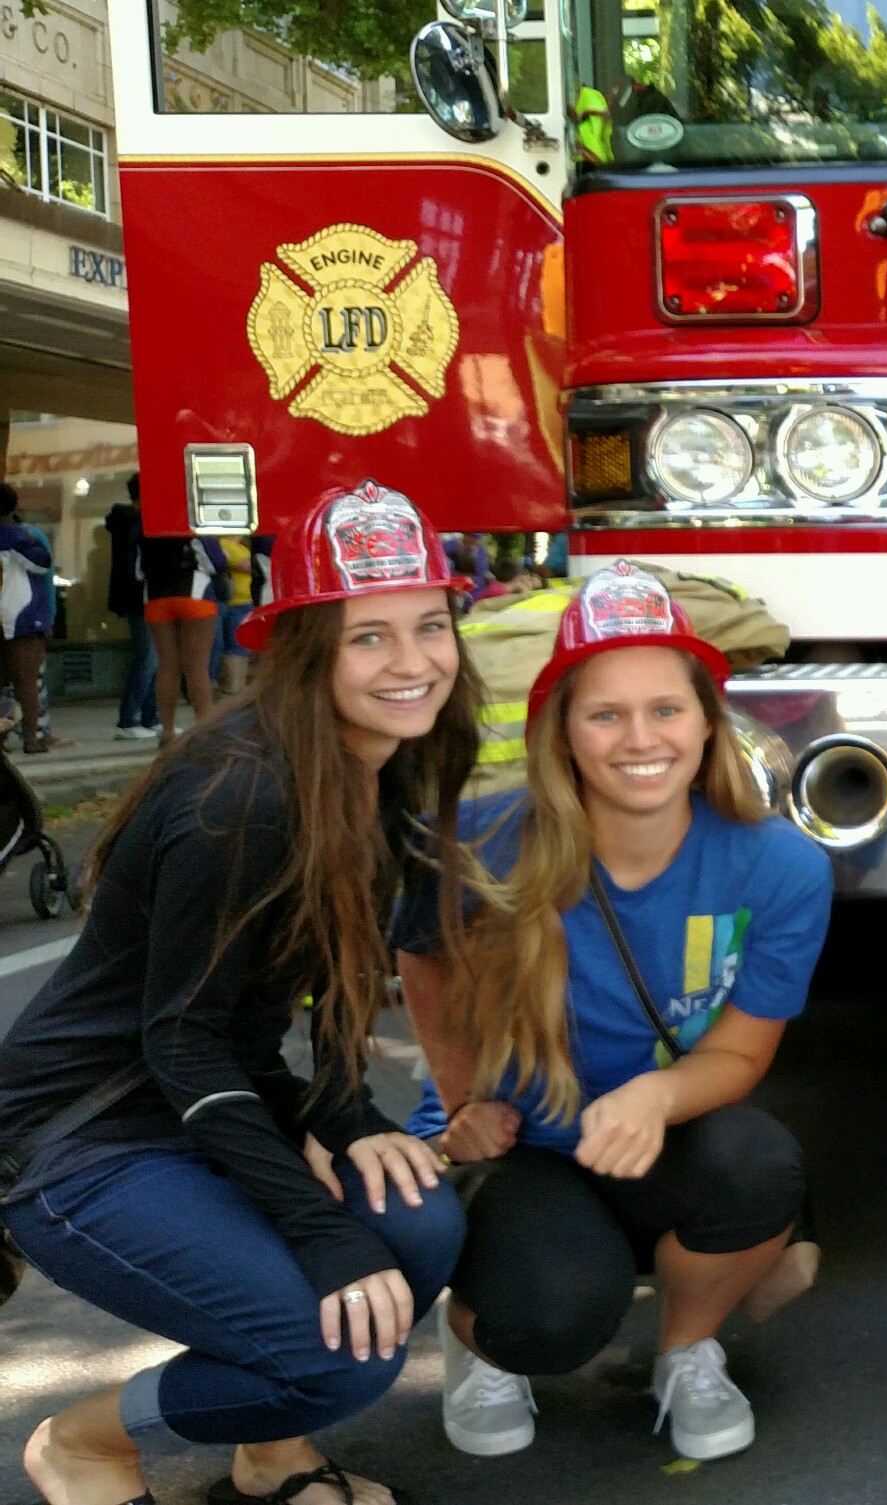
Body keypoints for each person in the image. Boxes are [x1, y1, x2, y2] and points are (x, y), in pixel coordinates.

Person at [0, 479, 485, 1505]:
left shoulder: (382, 757)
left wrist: (346, 1112)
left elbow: (349, 962)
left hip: (200, 1098)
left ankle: (269, 1453)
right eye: (369, 637)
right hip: (81, 1140)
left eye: (429, 626)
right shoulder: (245, 794)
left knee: (418, 1220)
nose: (413, 663)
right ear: (306, 646)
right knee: (338, 1349)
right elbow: (182, 1040)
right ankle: (85, 1440)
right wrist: (319, 1228)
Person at [395, 561, 831, 1463]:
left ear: (709, 723)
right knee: (553, 1317)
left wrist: (656, 1098)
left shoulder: (783, 864)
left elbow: (744, 1052)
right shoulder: (479, 842)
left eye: (666, 709)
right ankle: (480, 1340)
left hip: (655, 1134)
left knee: (759, 1166)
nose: (641, 738)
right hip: (524, 1147)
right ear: (563, 730)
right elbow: (423, 957)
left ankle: (687, 1349)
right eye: (606, 713)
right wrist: (462, 1096)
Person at [140, 524, 226, 745]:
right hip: (195, 593)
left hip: (156, 596)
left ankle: (167, 731)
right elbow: (217, 562)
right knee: (197, 667)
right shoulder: (191, 522)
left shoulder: (145, 525)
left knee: (167, 666)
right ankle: (204, 728)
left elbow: (137, 570)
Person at [0, 484, 57, 754]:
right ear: (12, 508)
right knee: (26, 682)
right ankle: (31, 738)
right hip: (20, 615)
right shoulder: (17, 537)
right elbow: (42, 565)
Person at [107, 476, 158, 741]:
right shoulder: (134, 523)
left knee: (153, 658)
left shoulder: (127, 522)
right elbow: (137, 566)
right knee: (147, 658)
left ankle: (150, 717)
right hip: (139, 597)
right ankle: (128, 720)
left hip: (138, 596)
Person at [212, 535, 261, 697]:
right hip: (235, 602)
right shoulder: (223, 544)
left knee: (242, 647)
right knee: (235, 645)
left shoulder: (241, 547)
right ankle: (233, 686)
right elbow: (247, 566)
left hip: (246, 600)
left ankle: (238, 686)